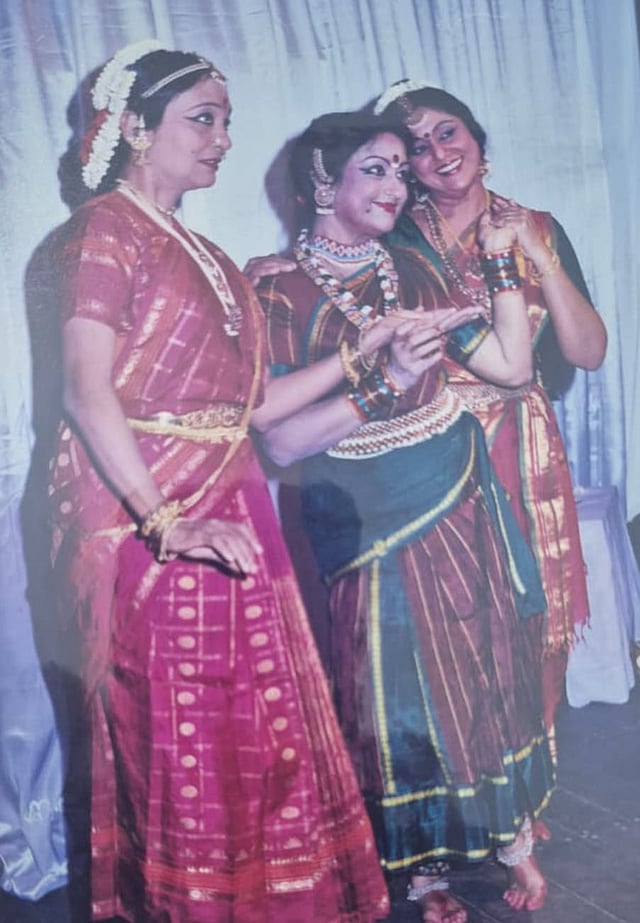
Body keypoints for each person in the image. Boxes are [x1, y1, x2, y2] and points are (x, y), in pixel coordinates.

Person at [48, 39, 394, 923]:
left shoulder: (204, 251)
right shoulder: (103, 232)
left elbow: (255, 405)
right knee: (182, 745)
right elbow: (89, 394)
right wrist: (168, 523)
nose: (224, 139)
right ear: (132, 128)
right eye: (203, 119)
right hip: (154, 527)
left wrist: (367, 352)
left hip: (235, 509)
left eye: (228, 120)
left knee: (258, 740)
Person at [254, 109, 556, 922]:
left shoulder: (412, 272)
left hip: (452, 485)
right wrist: (382, 380)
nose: (398, 184)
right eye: (375, 170)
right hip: (360, 512)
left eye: (400, 169)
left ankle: (507, 837)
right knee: (393, 693)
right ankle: (422, 869)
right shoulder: (275, 289)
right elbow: (280, 442)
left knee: (483, 662)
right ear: (323, 181)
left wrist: (498, 267)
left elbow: (515, 369)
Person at [375, 80, 608, 757]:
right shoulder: (396, 240)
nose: (439, 153)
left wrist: (538, 255)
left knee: (529, 615)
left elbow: (587, 352)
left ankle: (528, 788)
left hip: (521, 443)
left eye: (448, 131)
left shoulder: (536, 223)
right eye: (417, 147)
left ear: (477, 135)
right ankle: (460, 798)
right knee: (445, 621)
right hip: (430, 447)